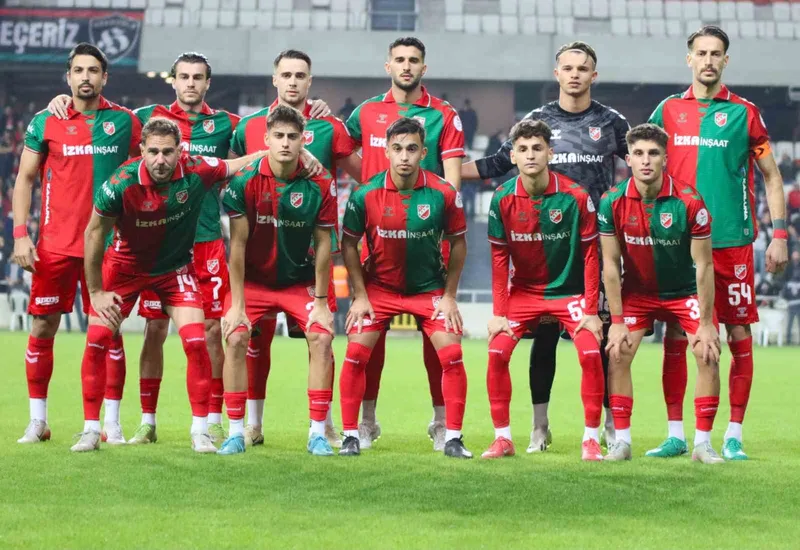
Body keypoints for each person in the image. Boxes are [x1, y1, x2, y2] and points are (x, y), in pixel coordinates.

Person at [461, 40, 630, 453]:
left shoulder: (611, 122)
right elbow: (497, 164)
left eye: (582, 68)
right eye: (567, 68)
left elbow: (645, 164)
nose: (575, 74)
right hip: (543, 247)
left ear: (593, 75)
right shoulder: (537, 122)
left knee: (600, 342)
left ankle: (609, 428)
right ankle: (540, 428)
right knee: (545, 340)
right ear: (557, 74)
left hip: (593, 247)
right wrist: (442, 174)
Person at [71, 117, 267, 452]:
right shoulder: (121, 183)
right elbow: (93, 233)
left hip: (175, 270)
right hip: (125, 269)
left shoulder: (197, 169)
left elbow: (238, 164)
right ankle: (91, 429)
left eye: (167, 152)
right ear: (142, 151)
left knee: (196, 341)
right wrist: (95, 292)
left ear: (180, 151)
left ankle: (200, 430)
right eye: (153, 152)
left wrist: (279, 152)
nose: (160, 160)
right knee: (98, 339)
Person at [647, 26, 789, 460]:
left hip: (731, 242)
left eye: (716, 54)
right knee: (676, 331)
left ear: (726, 61)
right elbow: (643, 165)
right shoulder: (667, 111)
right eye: (701, 53)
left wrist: (780, 234)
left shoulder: (745, 113)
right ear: (688, 59)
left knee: (738, 331)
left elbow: (772, 176)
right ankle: (676, 433)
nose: (708, 60)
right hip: (677, 244)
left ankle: (733, 435)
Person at [13, 43, 142, 445]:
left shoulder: (124, 122)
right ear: (68, 77)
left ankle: (111, 422)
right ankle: (38, 421)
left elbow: (150, 163)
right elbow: (25, 179)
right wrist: (20, 234)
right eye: (79, 70)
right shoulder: (45, 121)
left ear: (105, 77)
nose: (86, 77)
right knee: (42, 326)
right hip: (55, 245)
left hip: (108, 247)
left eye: (93, 70)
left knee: (109, 332)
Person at [229, 49, 359, 447]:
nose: (292, 81)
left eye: (300, 75)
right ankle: (252, 424)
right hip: (261, 255)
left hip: (307, 259)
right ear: (274, 79)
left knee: (321, 339)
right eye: (285, 74)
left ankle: (324, 423)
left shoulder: (329, 126)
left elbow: (363, 174)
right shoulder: (249, 126)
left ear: (309, 81)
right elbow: (232, 172)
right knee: (255, 342)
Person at [346, 36, 465, 451]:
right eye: (399, 59)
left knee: (439, 341)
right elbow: (339, 148)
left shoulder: (443, 114)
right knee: (370, 337)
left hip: (428, 232)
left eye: (414, 60)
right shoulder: (366, 112)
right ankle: (365, 421)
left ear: (423, 68)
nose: (407, 66)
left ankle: (442, 423)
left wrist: (439, 214)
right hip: (378, 232)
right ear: (388, 66)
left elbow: (452, 177)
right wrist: (369, 186)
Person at [217, 105, 338, 456]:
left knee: (321, 337)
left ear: (303, 141)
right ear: (267, 139)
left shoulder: (321, 183)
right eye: (279, 136)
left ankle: (318, 433)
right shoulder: (244, 181)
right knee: (236, 336)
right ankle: (236, 432)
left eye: (293, 137)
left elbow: (324, 244)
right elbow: (237, 247)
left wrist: (321, 303)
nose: (285, 143)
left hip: (298, 281)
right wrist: (237, 306)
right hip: (254, 281)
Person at [600, 123, 723, 464]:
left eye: (653, 153)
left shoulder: (690, 202)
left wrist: (707, 323)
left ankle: (702, 445)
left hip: (684, 292)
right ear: (628, 159)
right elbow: (610, 265)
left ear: (665, 158)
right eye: (638, 153)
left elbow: (704, 265)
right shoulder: (611, 202)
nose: (646, 160)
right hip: (638, 293)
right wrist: (617, 322)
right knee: (618, 353)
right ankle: (622, 443)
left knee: (708, 353)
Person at [483, 119, 605, 461]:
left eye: (537, 148)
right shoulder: (502, 198)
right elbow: (499, 260)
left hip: (569, 293)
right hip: (524, 294)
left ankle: (591, 439)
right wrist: (499, 314)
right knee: (496, 353)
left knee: (591, 354)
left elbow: (591, 256)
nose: (530, 155)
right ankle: (503, 439)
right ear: (512, 156)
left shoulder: (576, 197)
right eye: (522, 149)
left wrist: (591, 311)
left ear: (550, 153)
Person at [784, 251, 800, 345]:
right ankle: (788, 340)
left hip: (798, 303)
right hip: (791, 303)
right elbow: (785, 293)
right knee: (789, 323)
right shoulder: (789, 268)